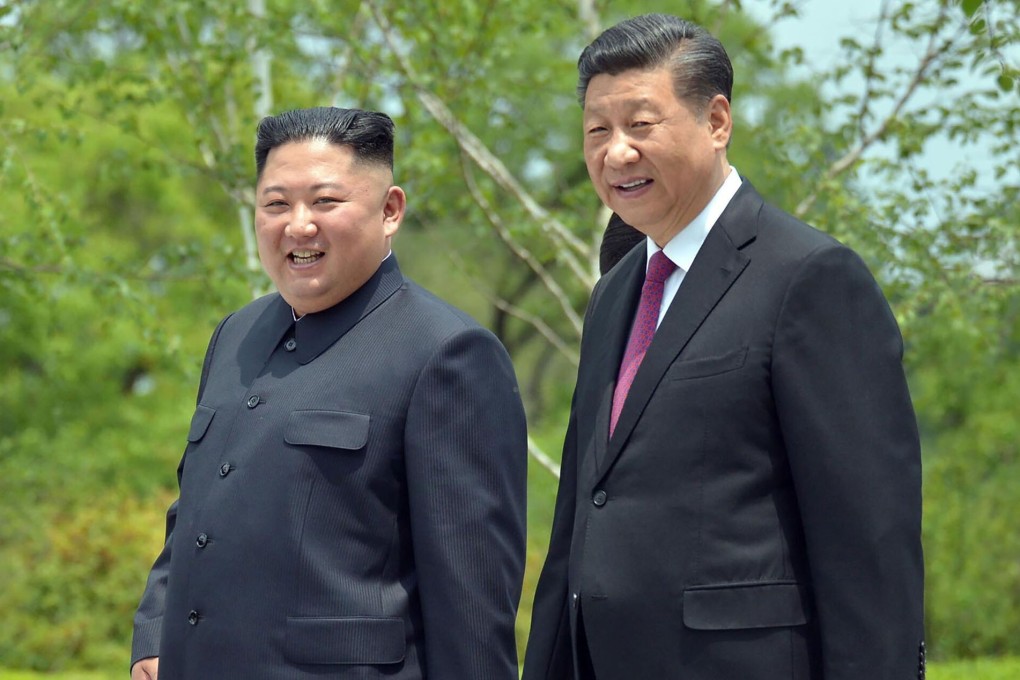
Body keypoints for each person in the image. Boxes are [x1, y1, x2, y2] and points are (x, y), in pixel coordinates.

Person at [523, 14, 924, 680]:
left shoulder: (810, 278)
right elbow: (581, 518)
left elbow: (868, 544)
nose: (615, 152)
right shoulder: (615, 293)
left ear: (716, 122)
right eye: (598, 131)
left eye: (641, 125)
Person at [130, 107, 528, 680]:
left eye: (324, 202)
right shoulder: (236, 334)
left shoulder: (447, 353)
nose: (298, 225)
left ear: (390, 210)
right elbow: (196, 510)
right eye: (275, 204)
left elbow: (471, 604)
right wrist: (154, 631)